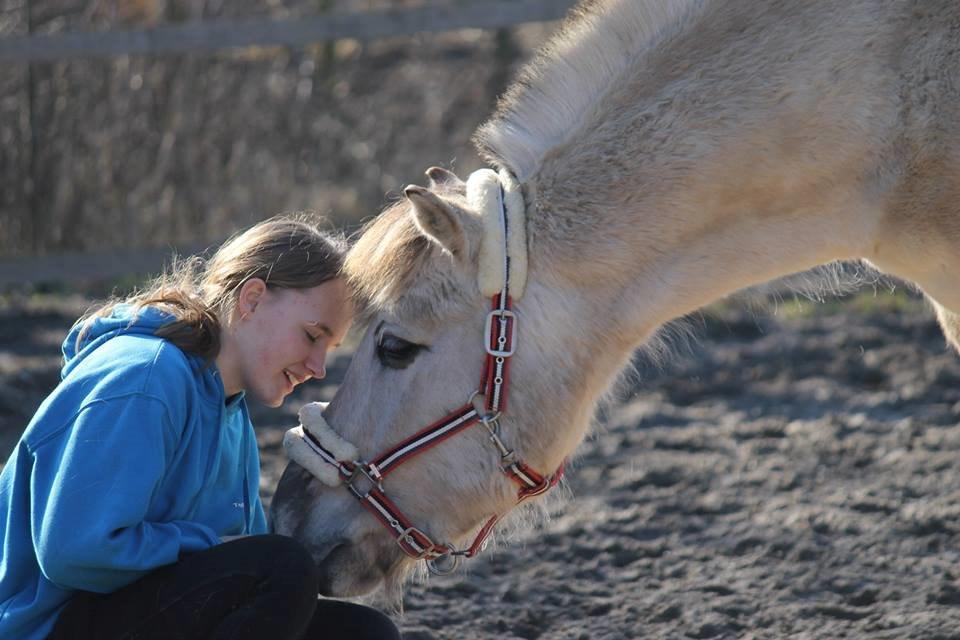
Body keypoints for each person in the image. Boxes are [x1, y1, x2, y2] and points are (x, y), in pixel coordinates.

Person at [0, 216, 401, 640]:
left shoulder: (230, 413)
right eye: (311, 335)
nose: (318, 367)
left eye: (330, 349)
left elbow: (235, 569)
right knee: (283, 568)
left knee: (364, 631)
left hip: (128, 612)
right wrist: (207, 546)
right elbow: (73, 551)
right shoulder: (145, 380)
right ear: (252, 300)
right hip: (48, 625)